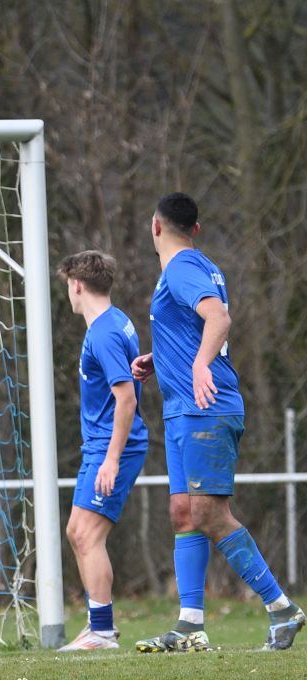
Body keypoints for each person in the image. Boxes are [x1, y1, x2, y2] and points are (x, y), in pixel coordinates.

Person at [131, 193, 305, 652]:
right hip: (183, 409)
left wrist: (199, 364)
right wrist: (161, 358)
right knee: (183, 511)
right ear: (196, 229)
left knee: (209, 513)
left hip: (205, 407)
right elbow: (194, 327)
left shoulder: (182, 268)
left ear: (155, 227)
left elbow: (218, 318)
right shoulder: (200, 266)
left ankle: (282, 609)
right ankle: (190, 625)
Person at [56, 251, 149, 651]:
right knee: (77, 532)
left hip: (113, 447)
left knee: (87, 535)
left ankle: (103, 632)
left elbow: (126, 398)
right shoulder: (115, 321)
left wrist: (111, 459)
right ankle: (98, 626)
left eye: (68, 285)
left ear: (77, 285)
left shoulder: (104, 334)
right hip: (101, 444)